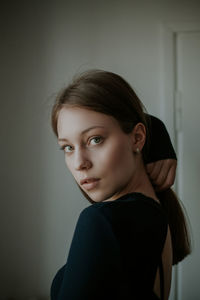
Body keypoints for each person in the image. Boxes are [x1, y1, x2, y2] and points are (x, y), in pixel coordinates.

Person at [50, 70, 191, 300]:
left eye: (95, 139)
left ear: (138, 138)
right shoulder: (155, 215)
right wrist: (158, 135)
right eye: (68, 147)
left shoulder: (102, 221)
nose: (79, 163)